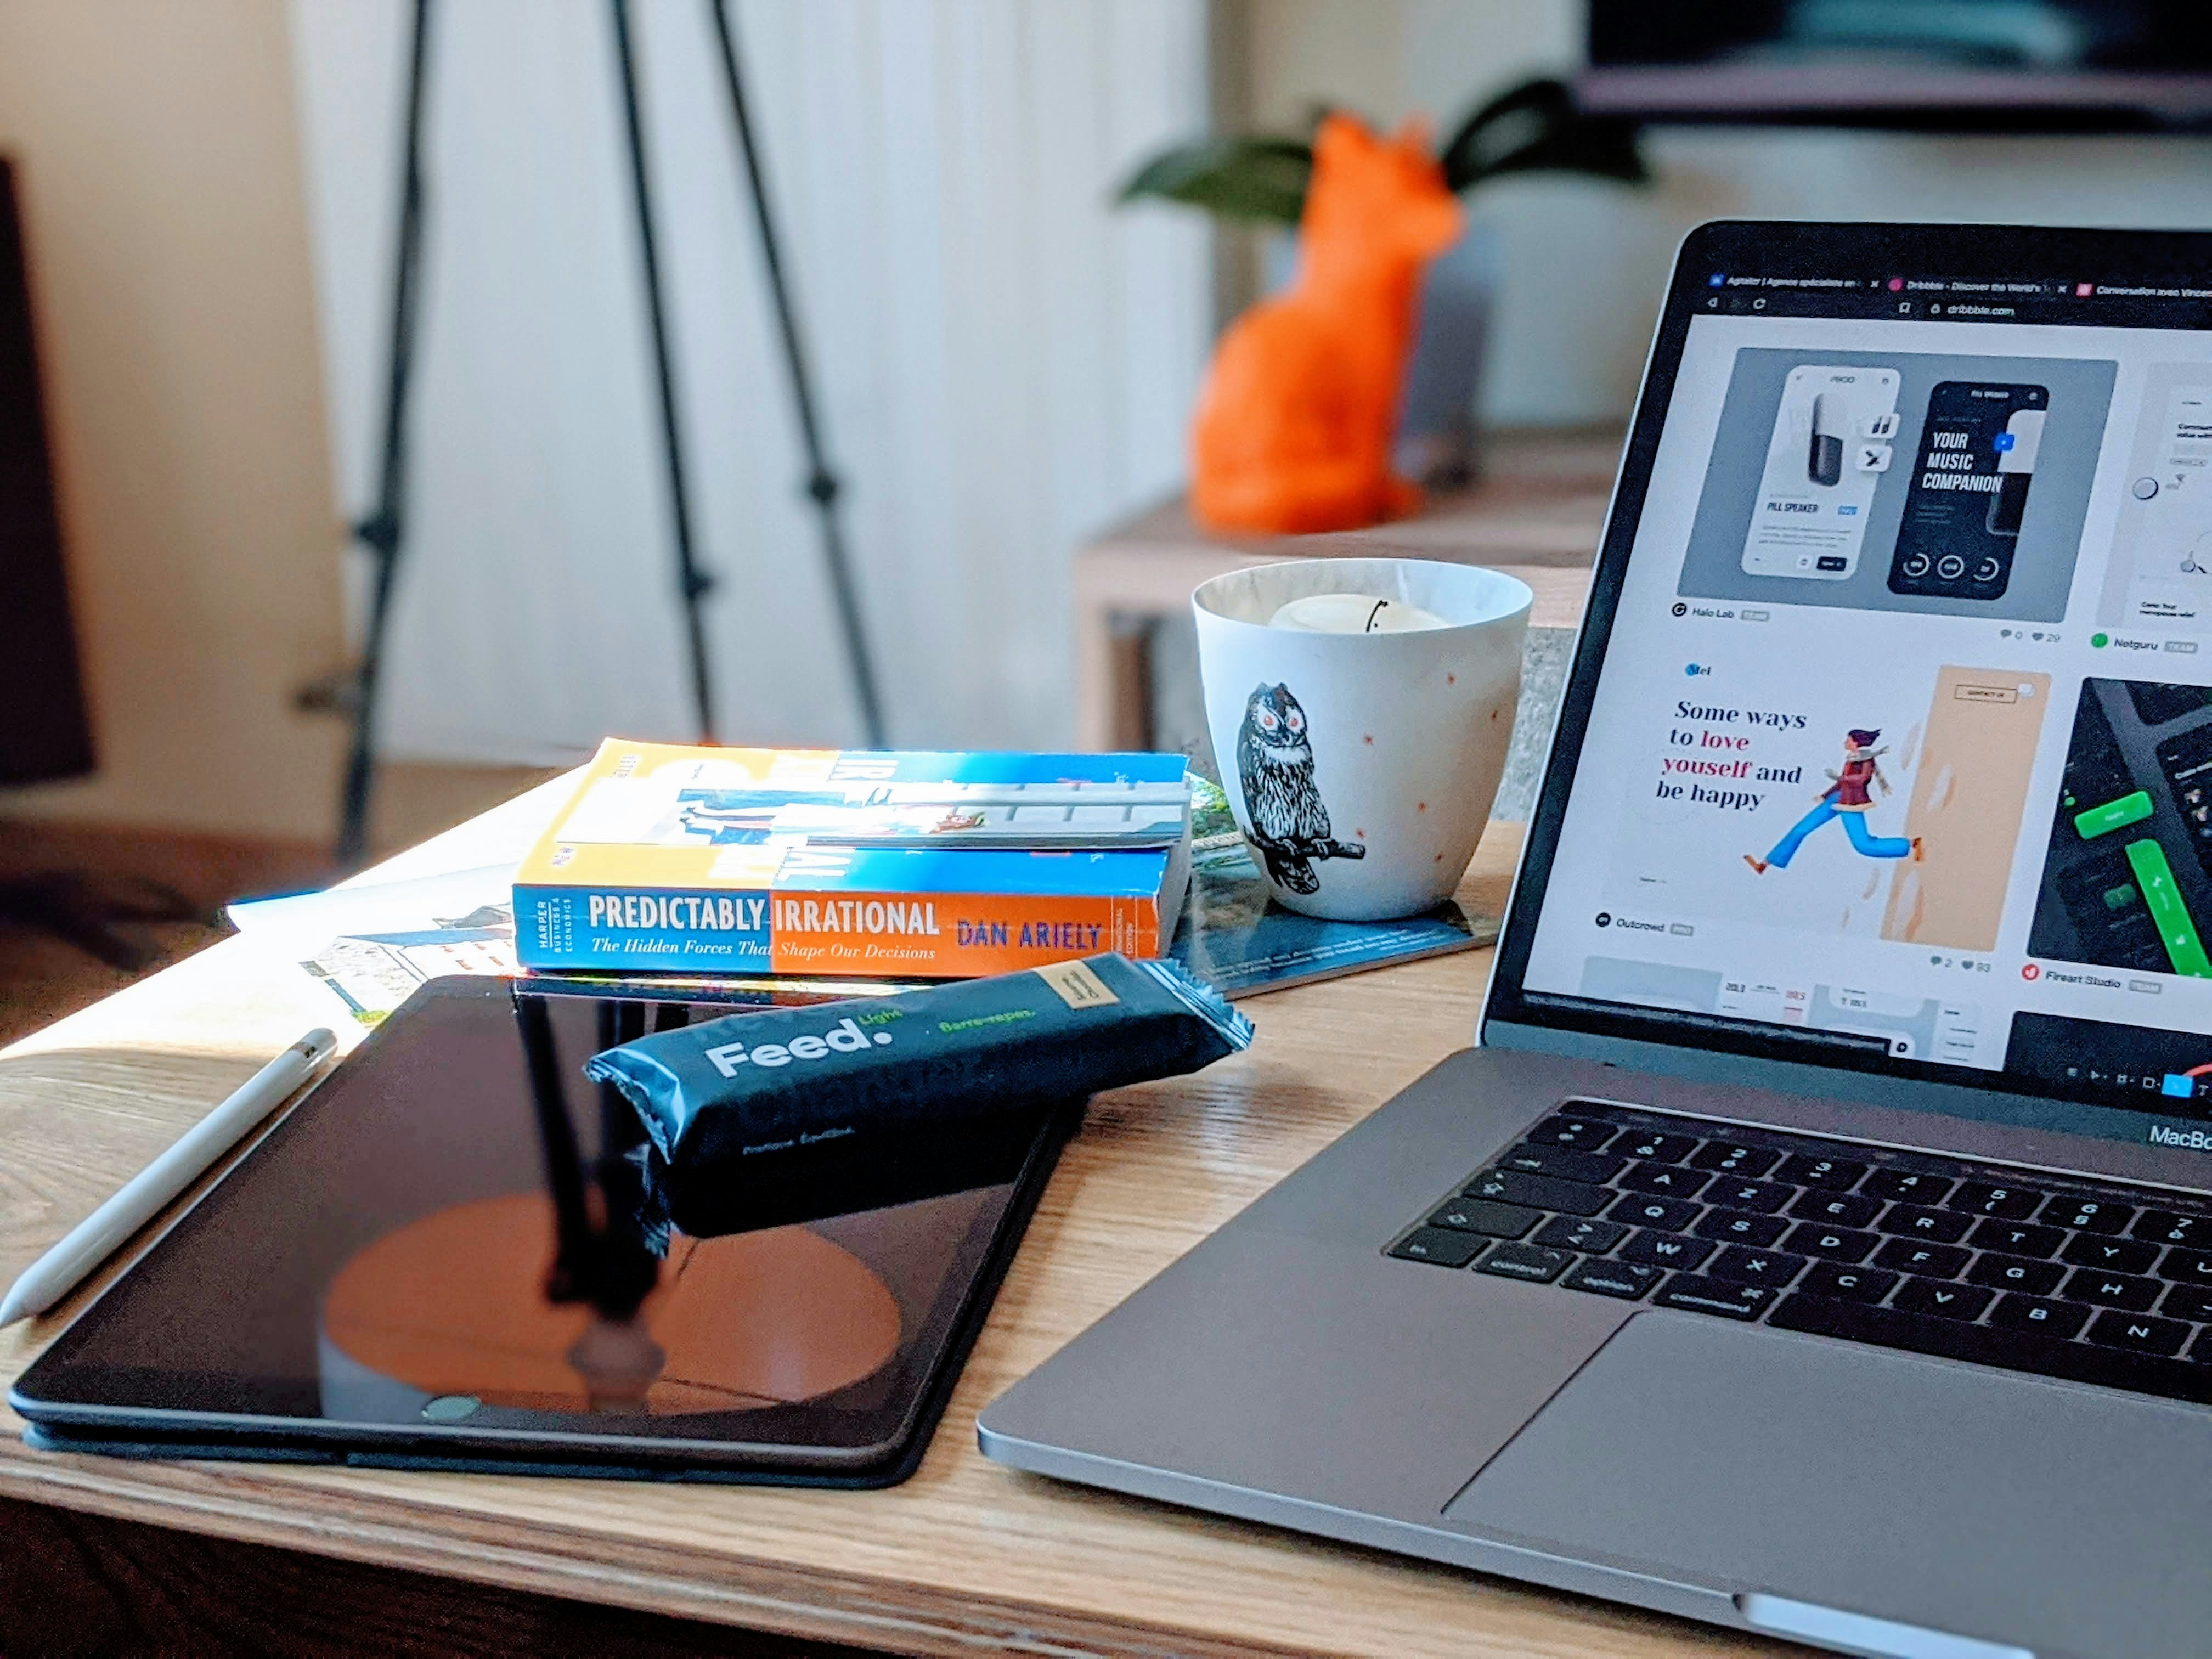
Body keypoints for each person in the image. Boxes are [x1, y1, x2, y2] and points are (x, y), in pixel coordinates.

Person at [1745, 727, 1922, 874]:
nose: (1845, 743)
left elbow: (1862, 779)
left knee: (1863, 845)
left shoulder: (1865, 759)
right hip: (1836, 799)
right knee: (1800, 830)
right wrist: (1825, 794)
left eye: (1848, 740)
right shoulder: (1851, 759)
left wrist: (1839, 780)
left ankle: (1910, 844)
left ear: (1855, 742)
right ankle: (1766, 864)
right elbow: (1842, 782)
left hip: (1850, 804)